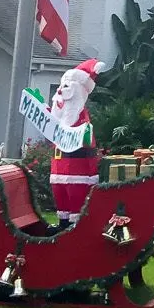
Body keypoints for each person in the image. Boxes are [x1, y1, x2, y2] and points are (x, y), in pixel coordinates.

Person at [47, 59, 102, 226]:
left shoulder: (82, 122)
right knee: (61, 198)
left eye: (66, 87)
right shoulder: (60, 117)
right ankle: (62, 223)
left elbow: (88, 147)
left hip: (78, 173)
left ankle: (74, 226)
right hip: (58, 168)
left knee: (75, 200)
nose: (60, 90)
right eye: (61, 86)